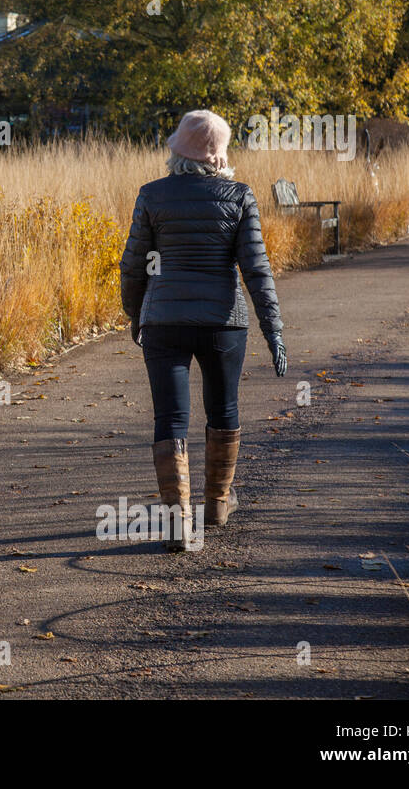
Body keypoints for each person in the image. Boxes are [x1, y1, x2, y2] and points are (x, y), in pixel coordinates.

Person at [119, 110, 287, 550]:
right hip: (222, 323)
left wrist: (136, 316)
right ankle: (215, 505)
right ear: (218, 156)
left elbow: (133, 266)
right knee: (223, 409)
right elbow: (256, 270)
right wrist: (274, 332)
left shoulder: (152, 195)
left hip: (164, 323)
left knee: (170, 418)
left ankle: (177, 525)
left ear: (177, 151)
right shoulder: (238, 196)